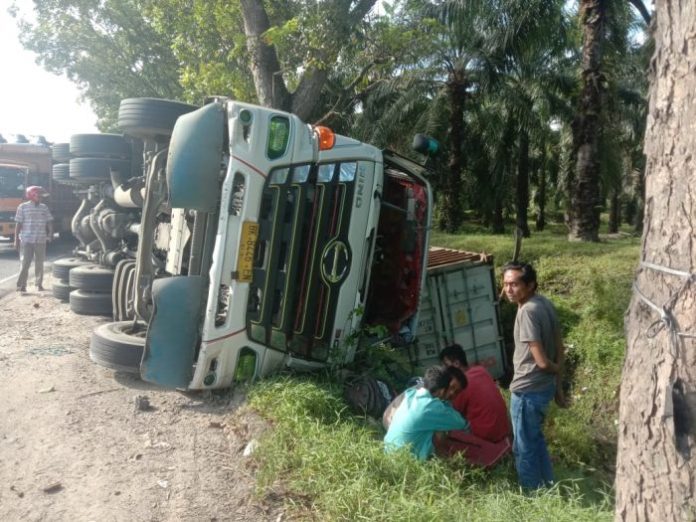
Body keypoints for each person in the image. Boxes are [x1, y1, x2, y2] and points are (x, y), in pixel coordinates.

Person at [502, 261, 565, 489]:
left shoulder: (528, 311)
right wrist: (558, 386)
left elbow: (541, 360)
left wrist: (554, 369)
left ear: (530, 285)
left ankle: (532, 498)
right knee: (536, 442)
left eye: (515, 284)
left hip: (527, 390)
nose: (509, 289)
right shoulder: (544, 303)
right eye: (506, 284)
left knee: (524, 448)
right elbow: (560, 347)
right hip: (543, 387)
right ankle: (547, 488)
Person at [384, 365, 469, 460]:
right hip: (404, 461)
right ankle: (444, 464)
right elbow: (461, 424)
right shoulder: (433, 406)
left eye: (457, 392)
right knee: (440, 432)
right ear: (442, 390)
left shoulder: (412, 393)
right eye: (451, 387)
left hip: (388, 450)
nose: (452, 393)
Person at [14, 186, 53, 293]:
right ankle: (22, 285)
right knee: (25, 263)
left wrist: (50, 233)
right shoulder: (22, 207)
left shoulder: (44, 207)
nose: (41, 198)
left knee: (39, 263)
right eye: (39, 196)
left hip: (40, 239)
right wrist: (16, 240)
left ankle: (39, 284)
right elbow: (18, 224)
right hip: (26, 240)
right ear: (32, 196)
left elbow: (49, 221)